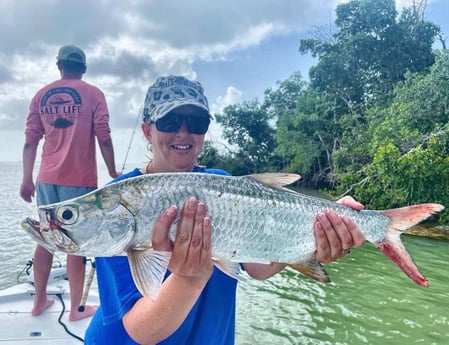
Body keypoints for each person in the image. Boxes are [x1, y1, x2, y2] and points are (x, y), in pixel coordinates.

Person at [84, 75, 366, 344]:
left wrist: (315, 237)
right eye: (170, 121)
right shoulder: (118, 200)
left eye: (196, 122)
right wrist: (189, 279)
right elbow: (141, 331)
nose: (183, 132)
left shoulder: (223, 182)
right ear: (147, 130)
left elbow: (258, 267)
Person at [20, 45, 120, 321]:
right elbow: (104, 136)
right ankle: (77, 309)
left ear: (59, 65)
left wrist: (26, 178)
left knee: (47, 238)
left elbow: (30, 141)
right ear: (84, 68)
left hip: (45, 179)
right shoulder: (94, 94)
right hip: (79, 181)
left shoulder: (41, 96)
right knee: (78, 242)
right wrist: (112, 170)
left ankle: (39, 301)